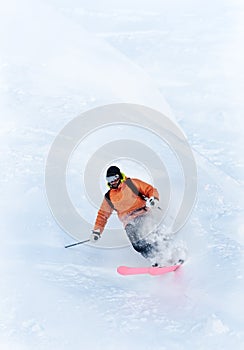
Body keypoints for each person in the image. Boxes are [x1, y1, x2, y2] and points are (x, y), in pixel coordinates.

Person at [91, 165, 164, 266]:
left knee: (150, 234)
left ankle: (168, 252)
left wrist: (153, 199)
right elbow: (103, 214)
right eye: (109, 179)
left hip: (142, 214)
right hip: (128, 222)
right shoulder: (109, 196)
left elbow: (150, 190)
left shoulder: (131, 183)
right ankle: (155, 259)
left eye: (114, 178)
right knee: (137, 245)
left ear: (119, 176)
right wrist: (97, 231)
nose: (113, 181)